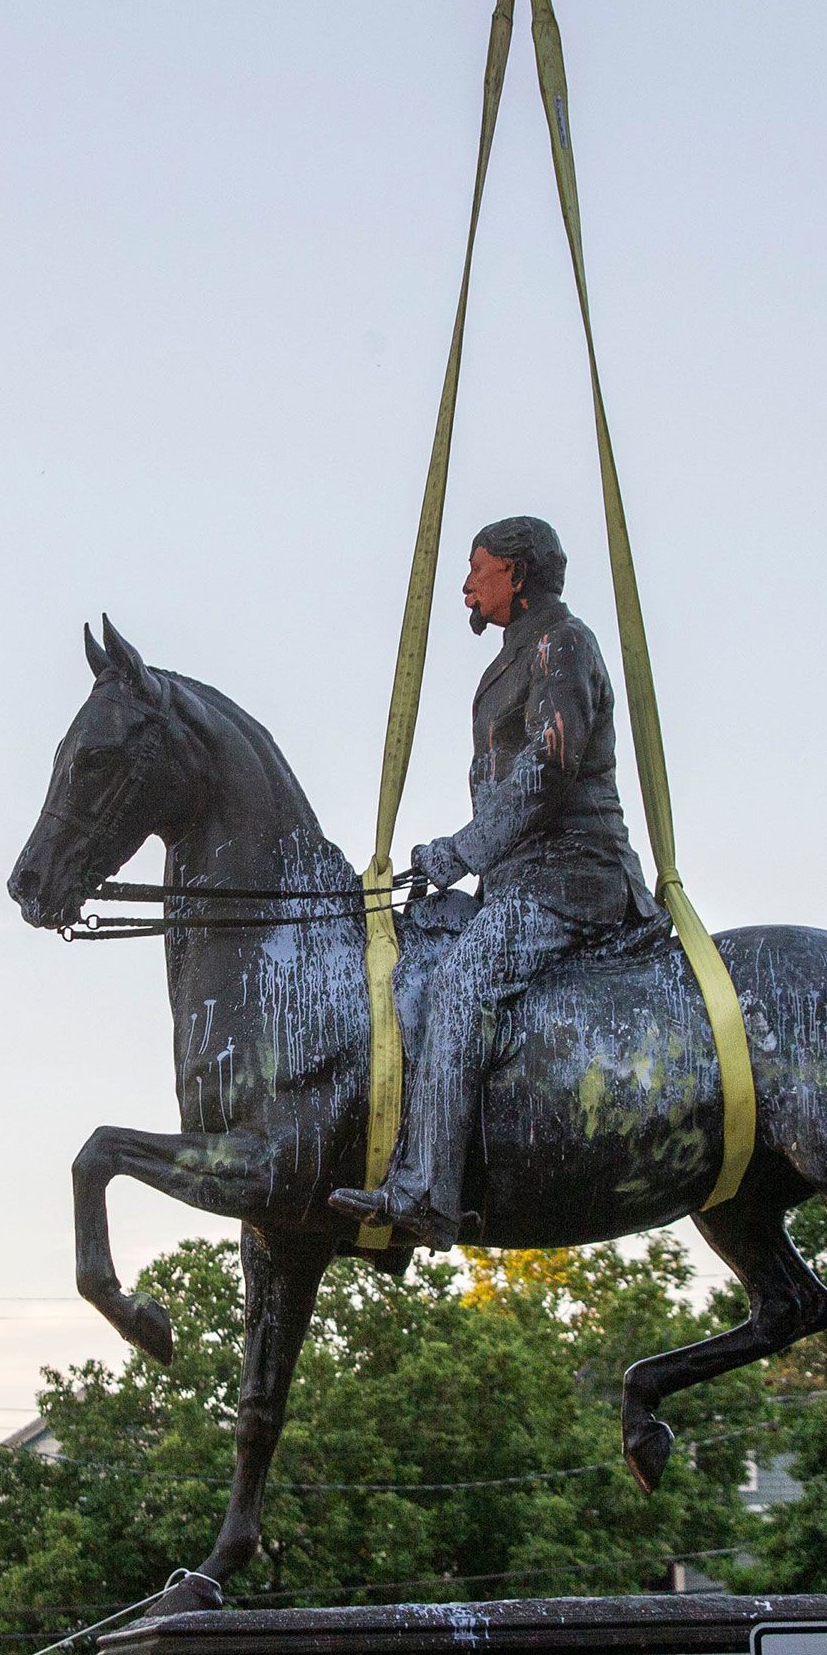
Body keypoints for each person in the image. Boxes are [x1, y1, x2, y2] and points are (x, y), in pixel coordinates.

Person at [330, 516, 661, 1251]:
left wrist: (462, 849)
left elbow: (548, 767)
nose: (466, 586)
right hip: (517, 882)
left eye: (478, 569)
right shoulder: (511, 660)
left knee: (461, 981)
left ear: (515, 573)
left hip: (572, 879)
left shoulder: (563, 643)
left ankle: (428, 1191)